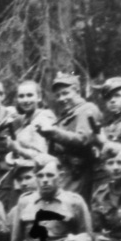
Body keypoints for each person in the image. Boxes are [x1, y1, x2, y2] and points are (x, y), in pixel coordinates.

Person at [36, 72, 103, 201]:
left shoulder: (87, 109)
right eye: (58, 95)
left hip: (78, 172)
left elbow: (83, 140)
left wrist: (53, 132)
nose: (61, 98)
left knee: (68, 207)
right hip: (63, 171)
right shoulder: (66, 115)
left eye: (66, 93)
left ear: (77, 91)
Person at [9, 80, 56, 165]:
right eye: (21, 96)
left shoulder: (43, 118)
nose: (25, 100)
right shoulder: (24, 119)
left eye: (30, 95)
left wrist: (17, 149)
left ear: (39, 97)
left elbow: (41, 156)